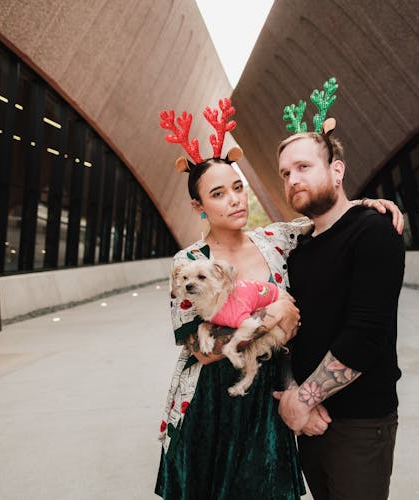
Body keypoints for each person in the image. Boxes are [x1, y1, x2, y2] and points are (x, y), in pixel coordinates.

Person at [154, 99, 405, 500]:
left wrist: (366, 204)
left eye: (238, 187)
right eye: (218, 194)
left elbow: (325, 217)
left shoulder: (275, 241)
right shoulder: (188, 263)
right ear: (198, 207)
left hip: (268, 403)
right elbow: (198, 348)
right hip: (210, 404)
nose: (235, 199)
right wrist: (271, 317)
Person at [274, 129, 406, 500]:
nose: (293, 179)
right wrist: (292, 394)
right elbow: (289, 336)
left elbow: (363, 336)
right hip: (312, 425)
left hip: (360, 424)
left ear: (337, 170)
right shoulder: (298, 250)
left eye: (303, 166)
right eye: (285, 173)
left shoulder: (373, 230)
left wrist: (301, 402)